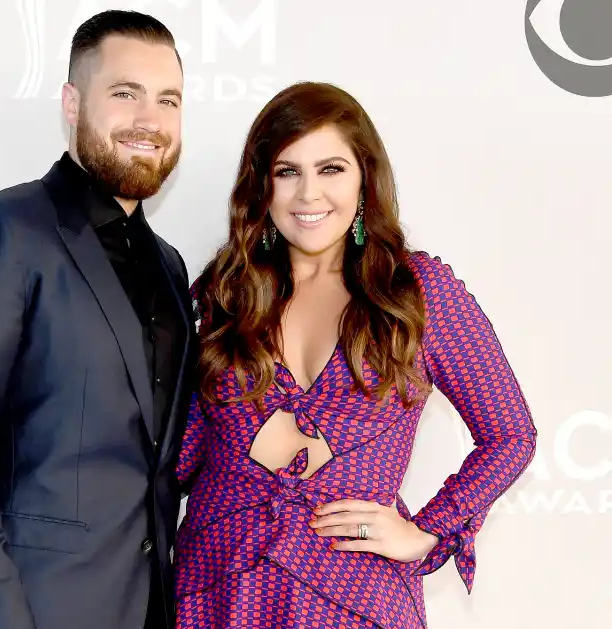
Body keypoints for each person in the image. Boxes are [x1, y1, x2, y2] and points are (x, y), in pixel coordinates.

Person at [174, 81, 537, 628]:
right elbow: (181, 453)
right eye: (286, 171)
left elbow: (511, 434)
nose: (308, 195)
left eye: (331, 169)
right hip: (219, 588)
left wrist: (428, 532)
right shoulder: (225, 293)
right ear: (262, 186)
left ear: (365, 178)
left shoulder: (417, 292)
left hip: (355, 598)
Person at [0, 10, 193, 629]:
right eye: (125, 94)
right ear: (72, 102)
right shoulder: (1, 231)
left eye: (168, 100)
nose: (150, 120)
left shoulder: (171, 269)